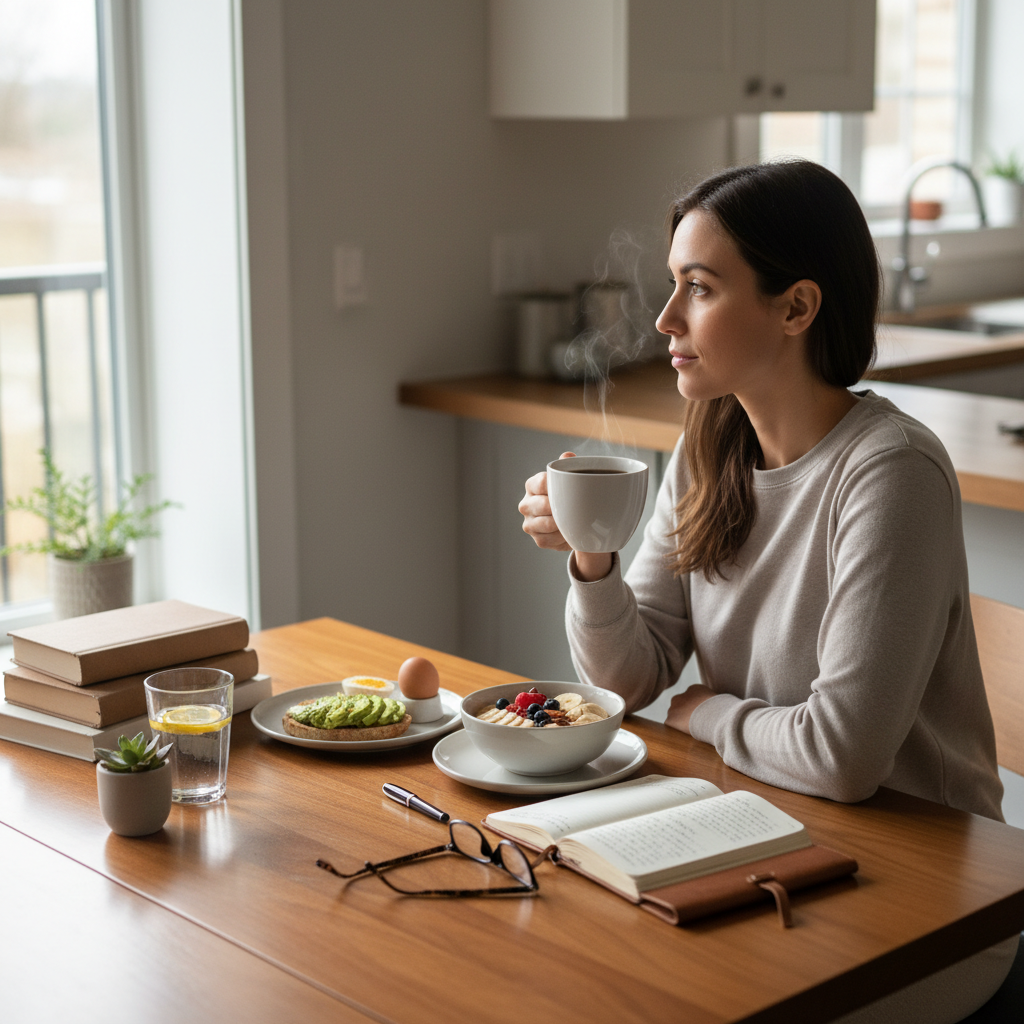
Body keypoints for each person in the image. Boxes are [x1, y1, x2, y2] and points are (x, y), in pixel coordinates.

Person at [518, 161, 1016, 1023]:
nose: (666, 319)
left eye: (699, 289)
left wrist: (703, 712)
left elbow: (844, 758)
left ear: (796, 308)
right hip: (767, 823)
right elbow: (630, 681)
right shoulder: (710, 444)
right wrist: (594, 559)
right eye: (673, 286)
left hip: (931, 895)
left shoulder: (888, 472)